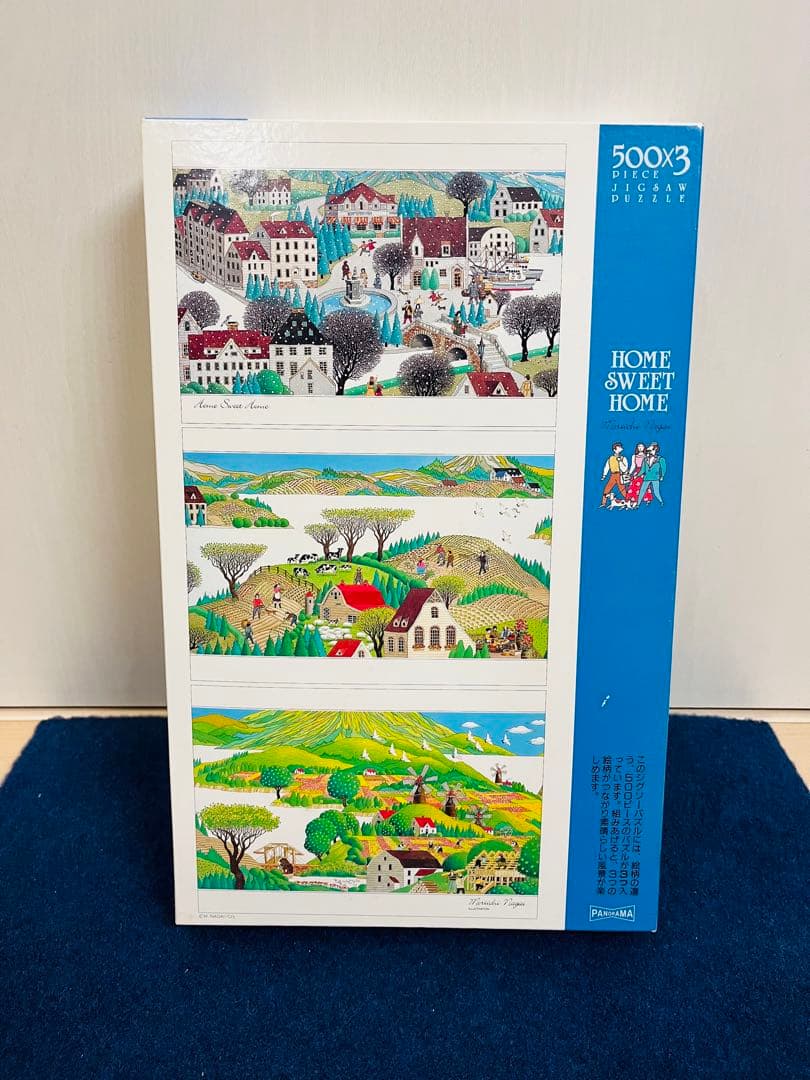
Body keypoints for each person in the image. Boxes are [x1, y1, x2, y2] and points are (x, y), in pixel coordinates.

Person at [600, 442, 628, 507]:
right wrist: (604, 475)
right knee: (607, 489)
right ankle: (603, 503)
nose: (621, 449)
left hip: (620, 475)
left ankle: (628, 502)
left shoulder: (623, 458)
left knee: (623, 490)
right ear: (614, 449)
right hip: (612, 475)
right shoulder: (610, 458)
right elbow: (607, 467)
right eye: (619, 447)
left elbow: (625, 469)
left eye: (621, 447)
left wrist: (620, 461)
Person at [625, 443, 651, 508]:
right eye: (639, 446)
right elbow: (633, 465)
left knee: (644, 486)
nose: (640, 447)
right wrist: (629, 473)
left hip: (644, 472)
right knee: (634, 486)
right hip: (636, 472)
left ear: (644, 447)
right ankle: (634, 500)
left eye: (642, 446)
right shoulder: (634, 456)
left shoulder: (646, 456)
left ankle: (645, 500)